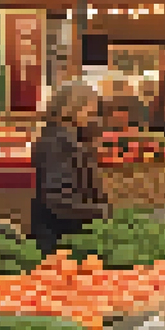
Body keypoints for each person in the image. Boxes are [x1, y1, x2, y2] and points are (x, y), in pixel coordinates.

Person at [32, 80, 111, 254]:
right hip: (61, 238)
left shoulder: (61, 136)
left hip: (59, 234)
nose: (92, 115)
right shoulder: (60, 142)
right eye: (90, 109)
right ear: (74, 107)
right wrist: (100, 211)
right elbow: (58, 198)